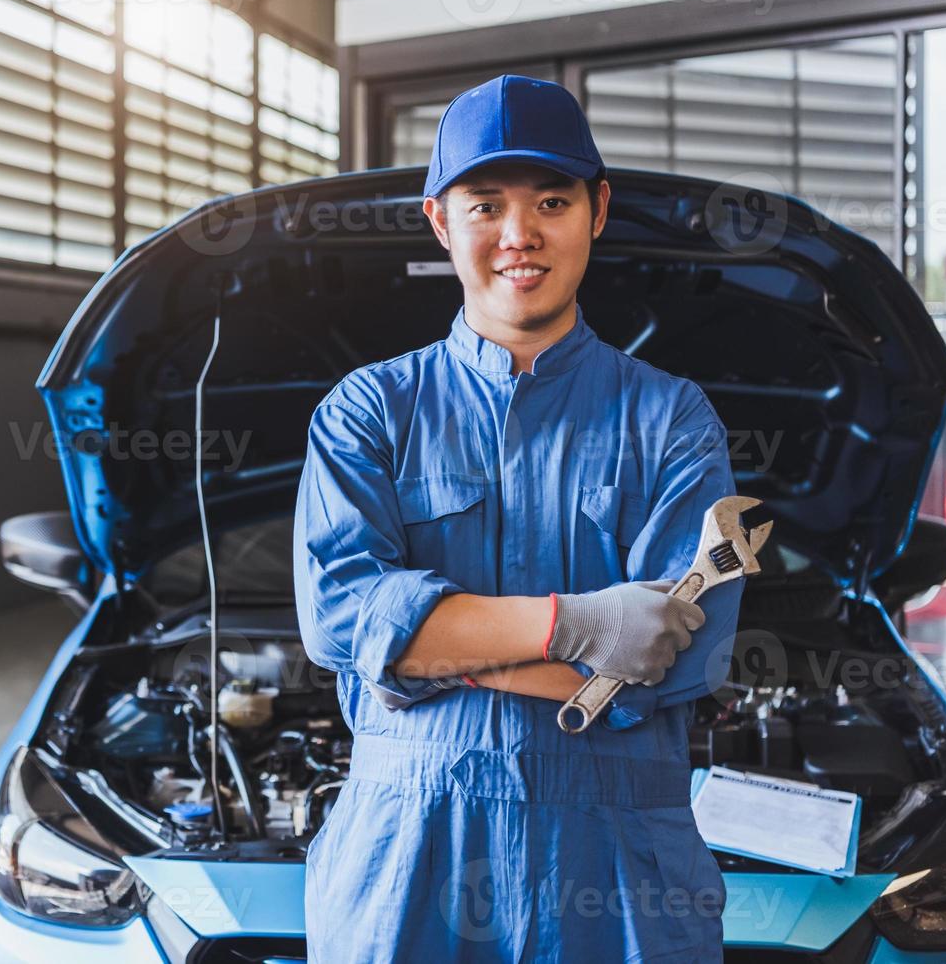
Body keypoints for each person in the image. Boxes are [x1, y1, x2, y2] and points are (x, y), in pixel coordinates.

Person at [292, 75, 745, 962]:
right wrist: (575, 625)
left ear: (597, 209)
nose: (518, 236)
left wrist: (423, 660)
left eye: (550, 200)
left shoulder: (673, 421)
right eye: (485, 204)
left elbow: (663, 662)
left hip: (616, 877)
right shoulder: (367, 413)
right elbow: (339, 621)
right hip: (404, 859)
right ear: (438, 219)